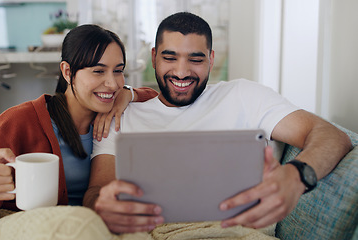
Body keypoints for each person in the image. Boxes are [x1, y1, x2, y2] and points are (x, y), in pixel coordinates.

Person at [86, 12, 352, 234]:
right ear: (154, 57)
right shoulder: (121, 117)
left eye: (196, 59)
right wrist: (102, 204)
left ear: (211, 59)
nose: (181, 72)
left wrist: (295, 177)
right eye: (170, 57)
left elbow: (332, 136)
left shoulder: (245, 96)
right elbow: (96, 190)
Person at [0, 24, 158, 236]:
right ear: (67, 71)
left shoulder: (116, 115)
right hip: (37, 229)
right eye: (98, 71)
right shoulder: (19, 122)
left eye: (118, 71)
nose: (112, 84)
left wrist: (130, 93)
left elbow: (163, 104)